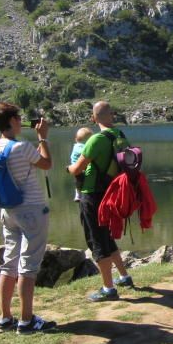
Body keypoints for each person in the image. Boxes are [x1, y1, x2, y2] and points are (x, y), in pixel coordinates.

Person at [0, 102, 57, 334]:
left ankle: (5, 318)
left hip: (8, 211)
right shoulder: (22, 147)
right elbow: (47, 164)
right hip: (31, 211)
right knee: (28, 266)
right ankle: (27, 321)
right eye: (17, 117)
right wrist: (43, 138)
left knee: (9, 263)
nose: (20, 120)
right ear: (11, 122)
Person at [67, 101, 133, 302]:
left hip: (93, 194)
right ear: (112, 115)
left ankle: (108, 288)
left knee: (96, 240)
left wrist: (67, 168)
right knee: (106, 236)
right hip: (111, 193)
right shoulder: (120, 136)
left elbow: (77, 169)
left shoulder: (95, 140)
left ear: (93, 118)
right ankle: (124, 276)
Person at [70, 127, 94, 201]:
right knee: (79, 180)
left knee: (80, 180)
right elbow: (85, 152)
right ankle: (78, 194)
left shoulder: (79, 145)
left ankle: (79, 193)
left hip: (81, 167)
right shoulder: (79, 146)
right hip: (78, 167)